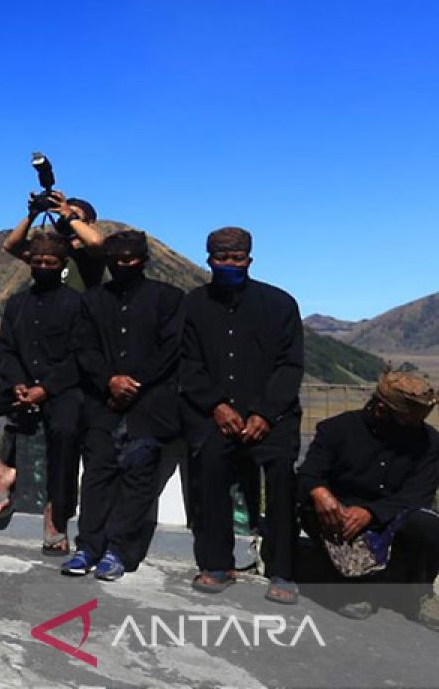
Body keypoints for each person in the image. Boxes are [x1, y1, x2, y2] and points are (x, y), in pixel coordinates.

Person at [181, 227, 304, 604]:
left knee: (282, 488)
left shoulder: (280, 304)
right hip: (215, 416)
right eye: (222, 258)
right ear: (209, 259)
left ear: (249, 258)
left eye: (237, 258)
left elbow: (290, 365)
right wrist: (216, 405)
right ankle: (219, 564)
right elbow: (186, 362)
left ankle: (283, 570)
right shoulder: (192, 305)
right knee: (211, 485)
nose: (229, 264)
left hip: (273, 418)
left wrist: (264, 413)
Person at [62, 230, 184, 581]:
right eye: (116, 261)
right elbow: (83, 348)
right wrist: (109, 381)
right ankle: (87, 546)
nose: (123, 266)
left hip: (150, 406)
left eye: (130, 259)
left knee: (139, 479)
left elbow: (171, 347)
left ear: (145, 259)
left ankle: (119, 550)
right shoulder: (93, 300)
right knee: (97, 475)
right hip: (102, 405)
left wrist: (134, 382)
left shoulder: (169, 299)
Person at [0, 231, 82, 553]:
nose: (43, 267)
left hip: (61, 391)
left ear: (62, 265)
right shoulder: (17, 303)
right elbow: (6, 350)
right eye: (37, 262)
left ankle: (55, 513)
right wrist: (18, 384)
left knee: (64, 430)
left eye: (50, 263)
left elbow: (80, 355)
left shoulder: (77, 303)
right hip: (20, 387)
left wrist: (45, 389)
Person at [297, 372, 439, 627]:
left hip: (391, 518)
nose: (417, 425)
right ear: (382, 410)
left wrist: (371, 512)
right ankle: (352, 587)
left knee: (426, 524)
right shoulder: (337, 430)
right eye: (408, 419)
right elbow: (309, 474)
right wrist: (320, 492)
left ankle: (415, 592)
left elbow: (418, 494)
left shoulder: (430, 444)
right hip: (342, 519)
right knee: (311, 503)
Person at [3, 189, 105, 292]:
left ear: (90, 222)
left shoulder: (90, 254)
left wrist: (70, 216)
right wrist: (32, 215)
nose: (65, 219)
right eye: (62, 216)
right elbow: (11, 246)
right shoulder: (54, 250)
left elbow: (95, 242)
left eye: (75, 215)